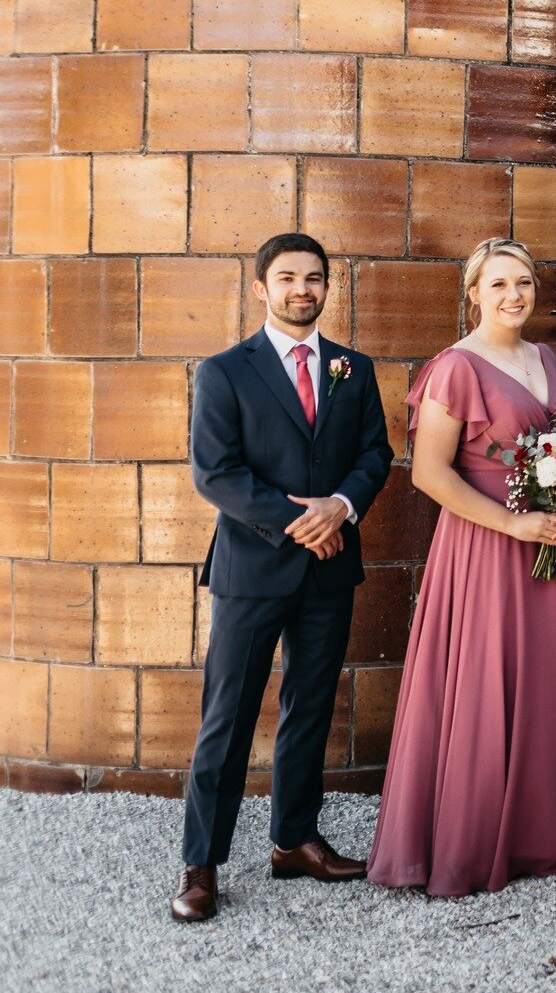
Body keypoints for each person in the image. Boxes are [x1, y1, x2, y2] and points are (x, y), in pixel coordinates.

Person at [366, 239, 556, 894]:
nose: (514, 295)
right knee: (485, 680)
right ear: (473, 292)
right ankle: (470, 838)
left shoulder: (546, 358)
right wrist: (516, 522)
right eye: (499, 283)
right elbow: (428, 472)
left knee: (543, 679)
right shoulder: (455, 368)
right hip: (483, 546)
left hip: (546, 544)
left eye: (525, 282)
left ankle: (545, 831)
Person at [175, 233, 393, 922]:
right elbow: (216, 470)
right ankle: (201, 863)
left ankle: (294, 839)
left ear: (329, 287)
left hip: (330, 569)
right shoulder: (223, 370)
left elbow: (375, 453)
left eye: (315, 277)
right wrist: (298, 520)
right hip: (252, 570)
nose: (303, 288)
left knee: (310, 707)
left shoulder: (353, 370)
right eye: (289, 277)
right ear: (261, 287)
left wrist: (342, 506)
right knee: (228, 717)